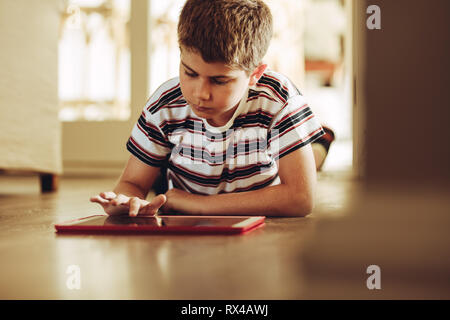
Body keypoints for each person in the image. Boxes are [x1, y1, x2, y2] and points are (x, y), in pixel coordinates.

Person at [90, 0, 330, 217]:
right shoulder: (165, 104)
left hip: (192, 198)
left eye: (219, 80)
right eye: (190, 73)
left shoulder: (279, 99)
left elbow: (301, 199)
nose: (200, 94)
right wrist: (125, 201)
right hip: (184, 180)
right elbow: (132, 184)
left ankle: (318, 146)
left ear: (255, 74)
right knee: (161, 183)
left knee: (308, 161)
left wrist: (199, 205)